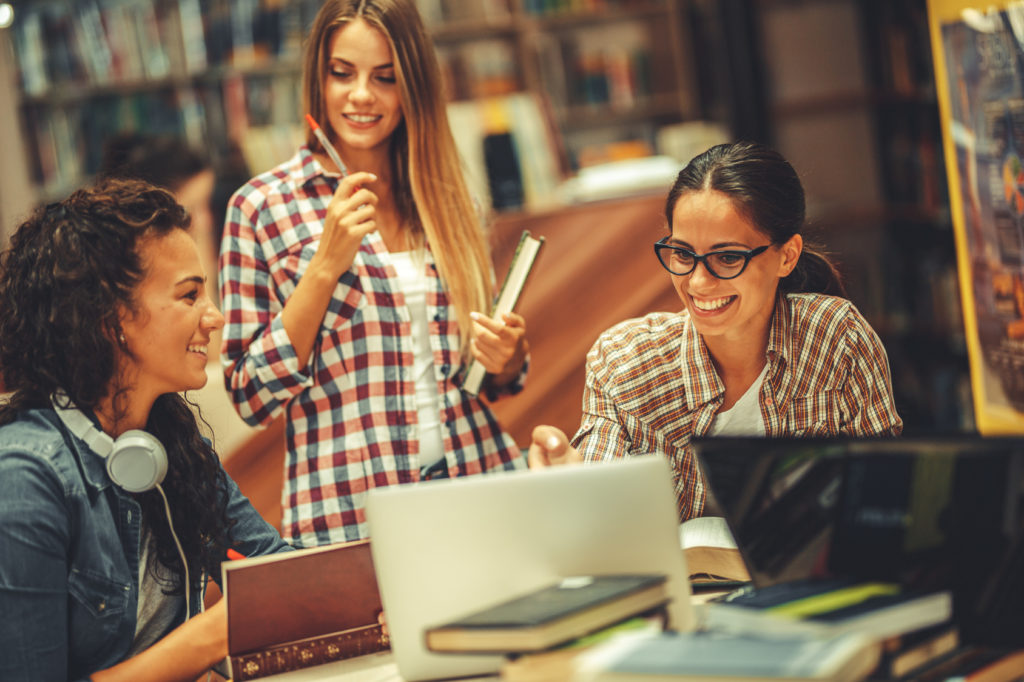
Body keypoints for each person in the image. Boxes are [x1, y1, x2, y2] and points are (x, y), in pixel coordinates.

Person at [220, 0, 529, 547]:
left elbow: (479, 384)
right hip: (354, 518)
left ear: (412, 87)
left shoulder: (450, 201)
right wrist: (324, 266)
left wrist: (505, 362)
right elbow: (250, 397)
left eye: (385, 78)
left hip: (481, 489)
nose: (361, 95)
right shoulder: (261, 207)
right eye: (343, 73)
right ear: (319, 76)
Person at [0, 178, 290, 681]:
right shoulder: (24, 478)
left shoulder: (172, 442)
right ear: (113, 320)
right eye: (189, 295)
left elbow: (278, 572)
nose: (214, 316)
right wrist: (208, 638)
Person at [528, 141, 903, 520]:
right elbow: (600, 507)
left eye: (727, 258)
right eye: (683, 255)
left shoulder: (837, 338)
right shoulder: (624, 363)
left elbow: (886, 495)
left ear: (786, 256)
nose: (698, 283)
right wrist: (572, 485)